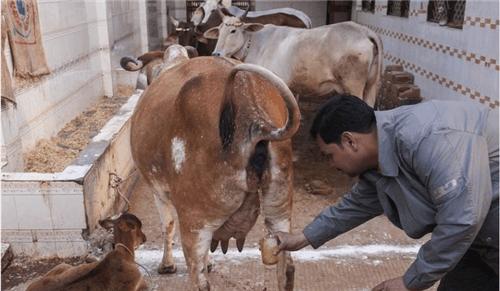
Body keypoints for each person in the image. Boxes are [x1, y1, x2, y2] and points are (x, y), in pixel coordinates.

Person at [276, 95, 499, 291]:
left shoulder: (425, 137)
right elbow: (355, 205)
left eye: (329, 155)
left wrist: (409, 282)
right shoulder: (381, 156)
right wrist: (302, 238)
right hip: (480, 241)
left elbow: (462, 218)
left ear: (350, 141)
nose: (331, 165)